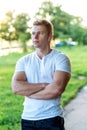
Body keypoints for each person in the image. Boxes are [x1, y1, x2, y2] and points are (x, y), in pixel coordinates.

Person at [11, 19, 71, 130]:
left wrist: (29, 92)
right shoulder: (23, 61)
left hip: (52, 118)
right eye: (33, 33)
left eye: (40, 33)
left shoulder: (61, 59)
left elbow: (56, 90)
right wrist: (44, 85)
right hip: (28, 119)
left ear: (49, 36)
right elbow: (16, 88)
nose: (35, 37)